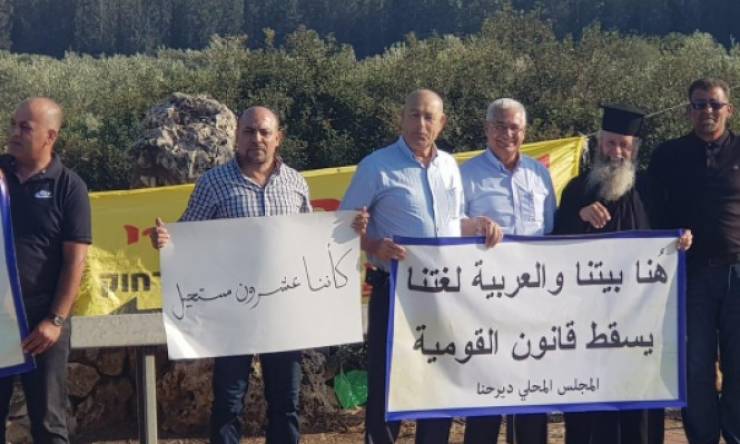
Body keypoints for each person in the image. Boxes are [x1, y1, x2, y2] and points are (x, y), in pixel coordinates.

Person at [151, 106, 367, 444]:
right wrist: (166, 240)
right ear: (237, 137)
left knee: (285, 403)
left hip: (282, 314)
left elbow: (312, 242)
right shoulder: (213, 184)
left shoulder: (296, 183)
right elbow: (187, 237)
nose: (257, 138)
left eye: (265, 132)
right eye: (249, 131)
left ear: (278, 138)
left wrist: (349, 230)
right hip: (232, 314)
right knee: (229, 402)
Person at [340, 89, 502, 444]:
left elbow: (452, 223)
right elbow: (342, 228)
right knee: (388, 388)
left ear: (442, 123)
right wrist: (373, 245)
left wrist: (478, 225)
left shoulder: (449, 166)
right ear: (401, 118)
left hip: (443, 295)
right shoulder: (376, 166)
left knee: (436, 386)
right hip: (394, 292)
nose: (421, 124)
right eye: (414, 115)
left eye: (429, 117)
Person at [556, 103, 691, 444]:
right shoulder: (576, 190)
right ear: (599, 144)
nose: (617, 152)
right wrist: (579, 217)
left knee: (639, 408)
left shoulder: (651, 189)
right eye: (611, 143)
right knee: (589, 409)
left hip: (639, 321)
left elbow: (671, 235)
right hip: (587, 324)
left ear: (635, 149)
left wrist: (682, 239)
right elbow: (553, 247)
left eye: (624, 145)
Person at [456, 98, 555, 443]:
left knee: (532, 390)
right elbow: (448, 226)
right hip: (487, 298)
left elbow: (551, 232)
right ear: (486, 129)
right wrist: (473, 225)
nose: (507, 134)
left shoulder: (540, 175)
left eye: (514, 127)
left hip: (534, 298)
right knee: (487, 390)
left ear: (524, 132)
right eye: (499, 126)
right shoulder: (466, 175)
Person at [648, 77, 740, 444]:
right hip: (689, 275)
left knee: (738, 364)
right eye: (699, 104)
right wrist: (669, 234)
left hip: (737, 272)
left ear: (729, 110)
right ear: (689, 111)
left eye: (715, 104)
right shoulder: (668, 155)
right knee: (695, 365)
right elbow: (650, 208)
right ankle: (702, 438)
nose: (707, 111)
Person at [0, 97, 92, 443]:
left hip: (43, 323)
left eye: (25, 127)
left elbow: (75, 261)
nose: (13, 133)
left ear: (50, 136)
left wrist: (55, 320)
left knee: (50, 424)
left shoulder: (69, 186)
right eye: (12, 124)